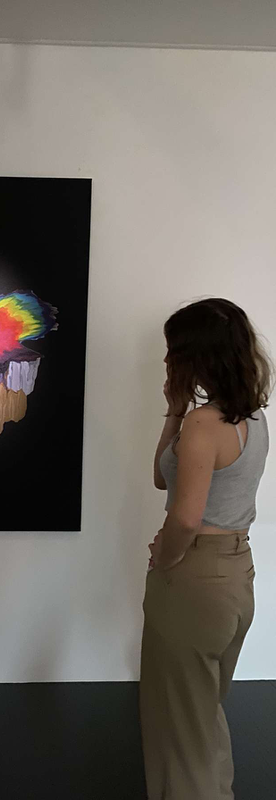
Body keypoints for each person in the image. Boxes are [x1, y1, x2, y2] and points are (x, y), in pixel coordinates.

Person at [140, 298, 272, 800]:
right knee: (202, 714)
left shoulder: (203, 424)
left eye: (174, 351)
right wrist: (175, 411)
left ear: (197, 355)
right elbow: (163, 477)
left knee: (179, 729)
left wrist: (166, 557)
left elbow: (185, 518)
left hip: (195, 582)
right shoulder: (253, 419)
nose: (168, 360)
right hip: (237, 579)